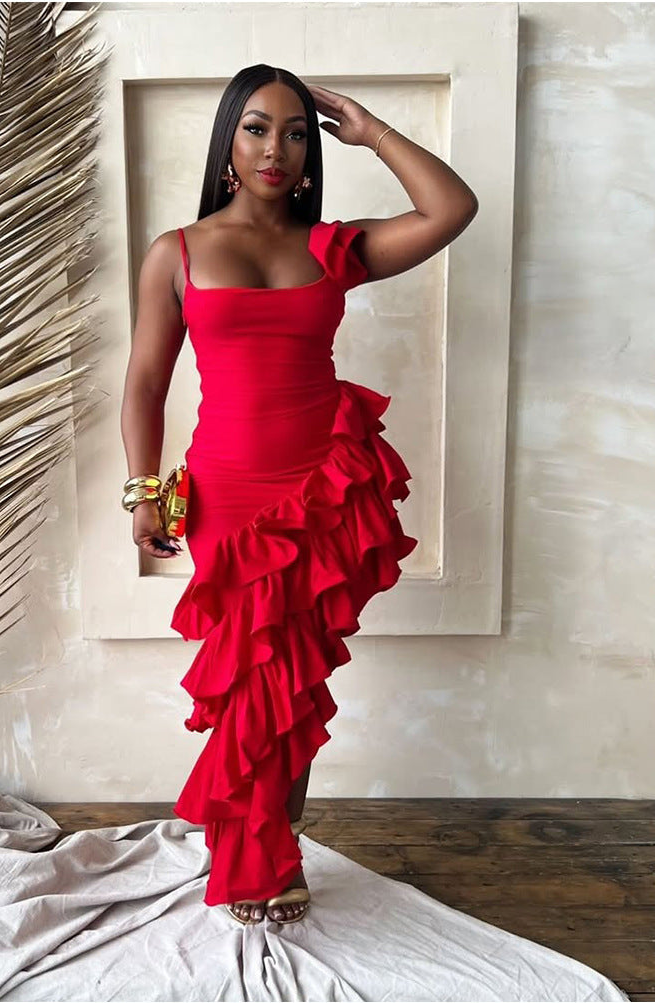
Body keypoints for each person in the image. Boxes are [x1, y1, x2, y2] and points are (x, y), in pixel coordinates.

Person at [120, 64, 478, 926]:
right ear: (228, 145)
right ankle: (258, 853)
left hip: (321, 487)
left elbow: (450, 210)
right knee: (255, 679)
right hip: (230, 490)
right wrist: (144, 492)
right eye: (255, 128)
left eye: (293, 131)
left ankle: (276, 848)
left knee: (296, 679)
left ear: (311, 153)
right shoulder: (177, 250)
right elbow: (143, 383)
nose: (274, 147)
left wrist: (371, 129)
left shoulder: (333, 249)